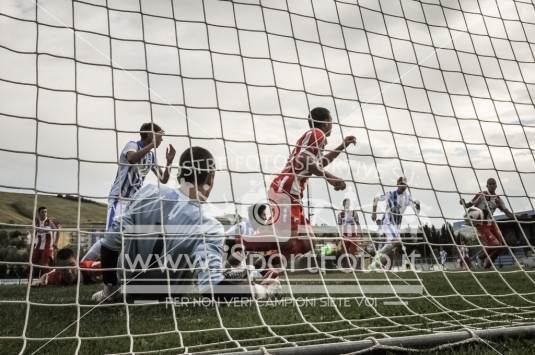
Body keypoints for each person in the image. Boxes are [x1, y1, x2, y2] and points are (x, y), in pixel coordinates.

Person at [92, 147, 281, 302]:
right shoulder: (209, 226)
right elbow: (212, 288)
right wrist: (264, 291)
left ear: (180, 173)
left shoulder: (148, 192)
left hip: (126, 290)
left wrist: (110, 289)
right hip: (164, 299)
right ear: (210, 178)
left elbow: (109, 244)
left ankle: (111, 292)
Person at [242, 107, 356, 259]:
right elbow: (303, 159)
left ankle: (264, 262)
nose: (332, 124)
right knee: (287, 239)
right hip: (286, 188)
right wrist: (330, 178)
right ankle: (239, 243)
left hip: (291, 192)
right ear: (326, 122)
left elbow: (318, 164)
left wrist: (342, 146)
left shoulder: (315, 137)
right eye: (331, 120)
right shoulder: (317, 133)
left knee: (308, 243)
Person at [105, 122, 176, 232]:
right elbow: (132, 158)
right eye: (159, 137)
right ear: (150, 135)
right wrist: (152, 144)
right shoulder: (132, 145)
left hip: (133, 203)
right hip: (119, 198)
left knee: (128, 238)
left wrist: (169, 162)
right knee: (111, 234)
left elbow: (163, 179)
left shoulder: (151, 156)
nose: (161, 140)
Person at [460, 178, 515, 269]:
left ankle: (487, 265)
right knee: (496, 245)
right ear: (487, 186)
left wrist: (517, 217)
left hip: (491, 222)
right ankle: (480, 258)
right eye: (490, 184)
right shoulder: (481, 195)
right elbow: (468, 205)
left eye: (494, 184)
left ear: (496, 185)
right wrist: (463, 202)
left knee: (501, 246)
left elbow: (507, 212)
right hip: (481, 223)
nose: (492, 185)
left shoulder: (498, 199)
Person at [370, 177, 420, 270]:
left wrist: (418, 206)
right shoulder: (390, 194)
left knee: (392, 248)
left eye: (404, 184)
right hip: (387, 221)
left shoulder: (408, 198)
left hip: (396, 226)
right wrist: (374, 213)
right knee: (396, 241)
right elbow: (376, 198)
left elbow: (417, 212)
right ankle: (376, 259)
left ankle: (378, 265)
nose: (403, 185)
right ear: (397, 184)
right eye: (401, 183)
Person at [31, 247, 101, 286]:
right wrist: (39, 281)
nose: (69, 271)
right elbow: (45, 276)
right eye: (64, 268)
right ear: (58, 269)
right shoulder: (56, 277)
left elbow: (109, 266)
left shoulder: (92, 269)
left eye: (72, 265)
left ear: (77, 263)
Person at [32, 206, 59, 278]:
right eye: (42, 212)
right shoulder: (36, 221)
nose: (44, 213)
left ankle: (50, 279)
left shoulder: (49, 222)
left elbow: (57, 231)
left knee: (45, 265)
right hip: (38, 246)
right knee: (32, 264)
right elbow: (35, 232)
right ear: (39, 213)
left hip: (48, 247)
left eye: (45, 212)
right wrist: (33, 241)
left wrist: (56, 243)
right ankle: (30, 282)